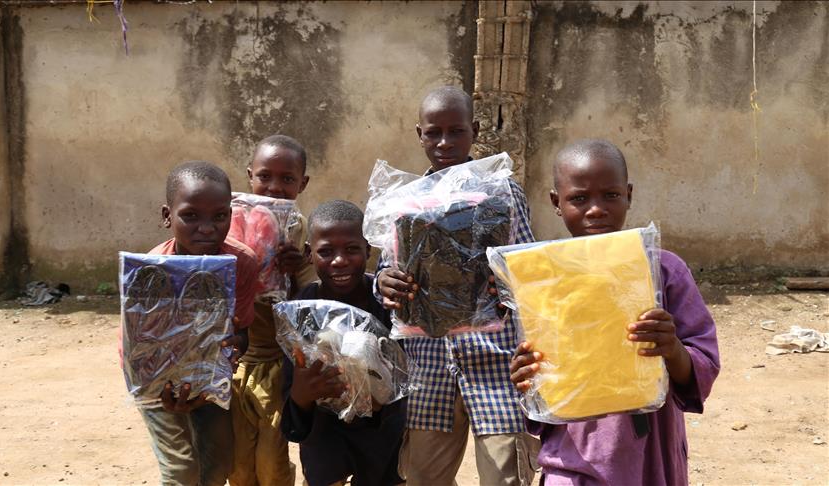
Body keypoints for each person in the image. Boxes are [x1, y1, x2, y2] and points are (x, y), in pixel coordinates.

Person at [510, 139, 721, 484]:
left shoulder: (663, 270)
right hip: (572, 458)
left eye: (610, 195)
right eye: (579, 198)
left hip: (649, 455)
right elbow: (539, 387)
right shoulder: (541, 277)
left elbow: (702, 365)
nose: (596, 210)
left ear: (629, 195)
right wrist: (526, 376)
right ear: (556, 202)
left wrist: (672, 348)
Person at [376, 86, 538, 486]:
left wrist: (507, 282)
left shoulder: (502, 191)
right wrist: (384, 283)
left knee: (505, 478)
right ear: (420, 134)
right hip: (429, 366)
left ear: (475, 131)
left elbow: (526, 269)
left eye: (456, 131)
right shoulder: (404, 201)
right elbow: (386, 270)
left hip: (497, 363)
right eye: (434, 132)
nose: (444, 142)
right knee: (423, 478)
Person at [134, 160, 258, 485]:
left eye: (219, 216)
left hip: (209, 380)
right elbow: (138, 349)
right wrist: (162, 389)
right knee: (181, 470)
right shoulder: (151, 272)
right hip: (157, 384)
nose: (206, 228)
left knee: (218, 464)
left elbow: (242, 334)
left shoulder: (242, 264)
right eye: (190, 215)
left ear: (230, 215)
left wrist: (233, 349)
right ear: (167, 216)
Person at [281, 200, 406, 486]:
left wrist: (378, 396)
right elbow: (292, 398)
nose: (340, 260)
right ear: (309, 254)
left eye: (351, 249)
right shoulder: (300, 311)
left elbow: (404, 378)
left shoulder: (387, 303)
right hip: (325, 442)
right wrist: (302, 395)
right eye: (326, 251)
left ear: (368, 250)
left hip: (384, 443)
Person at [229, 135, 317, 486]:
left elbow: (307, 303)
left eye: (287, 179)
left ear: (302, 184)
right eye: (264, 176)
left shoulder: (298, 230)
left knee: (271, 459)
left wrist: (294, 270)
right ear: (249, 175)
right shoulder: (229, 222)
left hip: (277, 363)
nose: (274, 187)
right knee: (237, 463)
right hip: (233, 359)